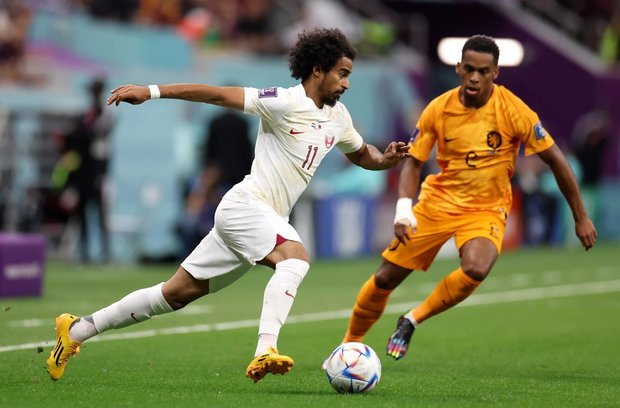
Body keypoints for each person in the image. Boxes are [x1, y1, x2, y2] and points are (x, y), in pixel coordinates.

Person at [46, 28, 411, 383]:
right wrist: (151, 91)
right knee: (296, 259)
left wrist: (385, 159)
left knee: (174, 294)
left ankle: (77, 330)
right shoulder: (283, 103)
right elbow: (217, 95)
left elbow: (361, 154)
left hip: (263, 219)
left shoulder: (338, 117)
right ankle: (265, 349)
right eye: (342, 74)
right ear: (318, 70)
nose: (347, 83)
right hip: (246, 207)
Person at [336, 35, 597, 362]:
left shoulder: (514, 111)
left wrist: (580, 216)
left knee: (476, 267)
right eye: (469, 69)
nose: (475, 77)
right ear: (459, 68)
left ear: (495, 73)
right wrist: (404, 209)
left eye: (483, 71)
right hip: (438, 204)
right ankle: (348, 346)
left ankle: (412, 319)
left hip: (486, 209)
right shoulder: (439, 109)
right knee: (385, 277)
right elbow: (413, 162)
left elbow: (556, 160)